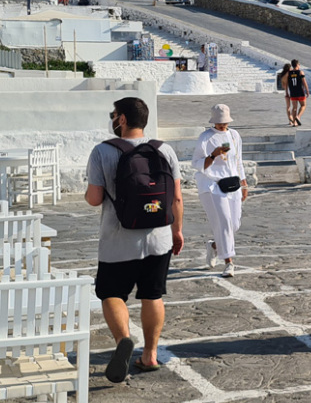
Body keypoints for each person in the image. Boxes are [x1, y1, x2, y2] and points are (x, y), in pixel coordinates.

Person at [84, 97, 184, 381]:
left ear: (123, 119)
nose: (113, 119)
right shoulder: (164, 150)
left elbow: (94, 199)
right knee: (153, 294)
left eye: (114, 114)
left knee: (111, 293)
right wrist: (177, 231)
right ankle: (150, 355)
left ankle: (123, 341)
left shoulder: (103, 151)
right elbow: (176, 197)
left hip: (118, 239)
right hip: (159, 237)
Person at [192, 104, 247, 278]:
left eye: (225, 122)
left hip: (232, 184)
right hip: (212, 186)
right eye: (219, 122)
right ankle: (229, 262)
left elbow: (238, 161)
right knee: (223, 222)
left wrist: (244, 183)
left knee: (234, 224)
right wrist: (213, 155)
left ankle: (215, 246)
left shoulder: (234, 135)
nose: (222, 125)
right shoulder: (205, 138)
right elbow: (197, 164)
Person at [286, 59, 308, 126]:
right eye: (299, 64)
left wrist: (287, 92)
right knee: (303, 105)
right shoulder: (300, 72)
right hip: (300, 92)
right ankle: (298, 117)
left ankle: (294, 122)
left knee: (294, 108)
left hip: (293, 92)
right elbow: (304, 83)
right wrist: (307, 91)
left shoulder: (289, 73)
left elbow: (286, 84)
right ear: (297, 65)